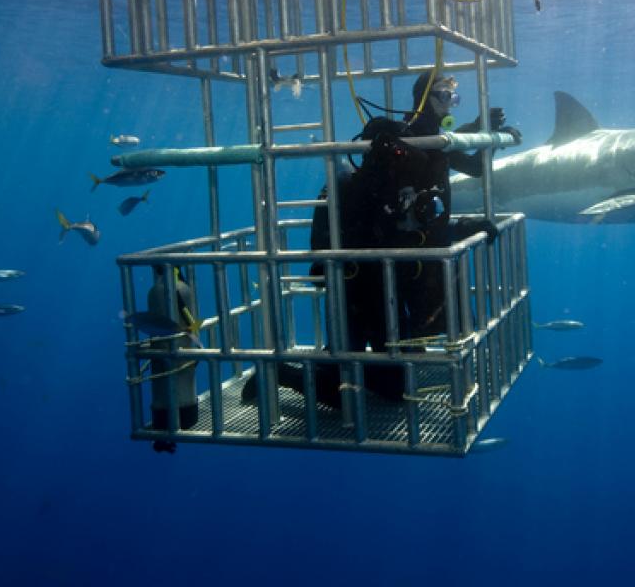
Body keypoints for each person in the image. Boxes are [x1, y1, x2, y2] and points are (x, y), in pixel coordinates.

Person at [241, 71, 519, 408]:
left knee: (381, 373)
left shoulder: (425, 143)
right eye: (445, 96)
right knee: (360, 384)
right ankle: (283, 374)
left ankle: (334, 368)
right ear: (425, 98)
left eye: (453, 98)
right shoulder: (405, 150)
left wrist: (481, 132)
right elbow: (407, 217)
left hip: (388, 278)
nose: (450, 103)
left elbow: (449, 174)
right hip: (364, 277)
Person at [146, 264, 199, 453]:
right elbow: (191, 322)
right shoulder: (182, 290)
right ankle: (165, 432)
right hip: (185, 397)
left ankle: (163, 432)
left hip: (166, 390)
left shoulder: (156, 292)